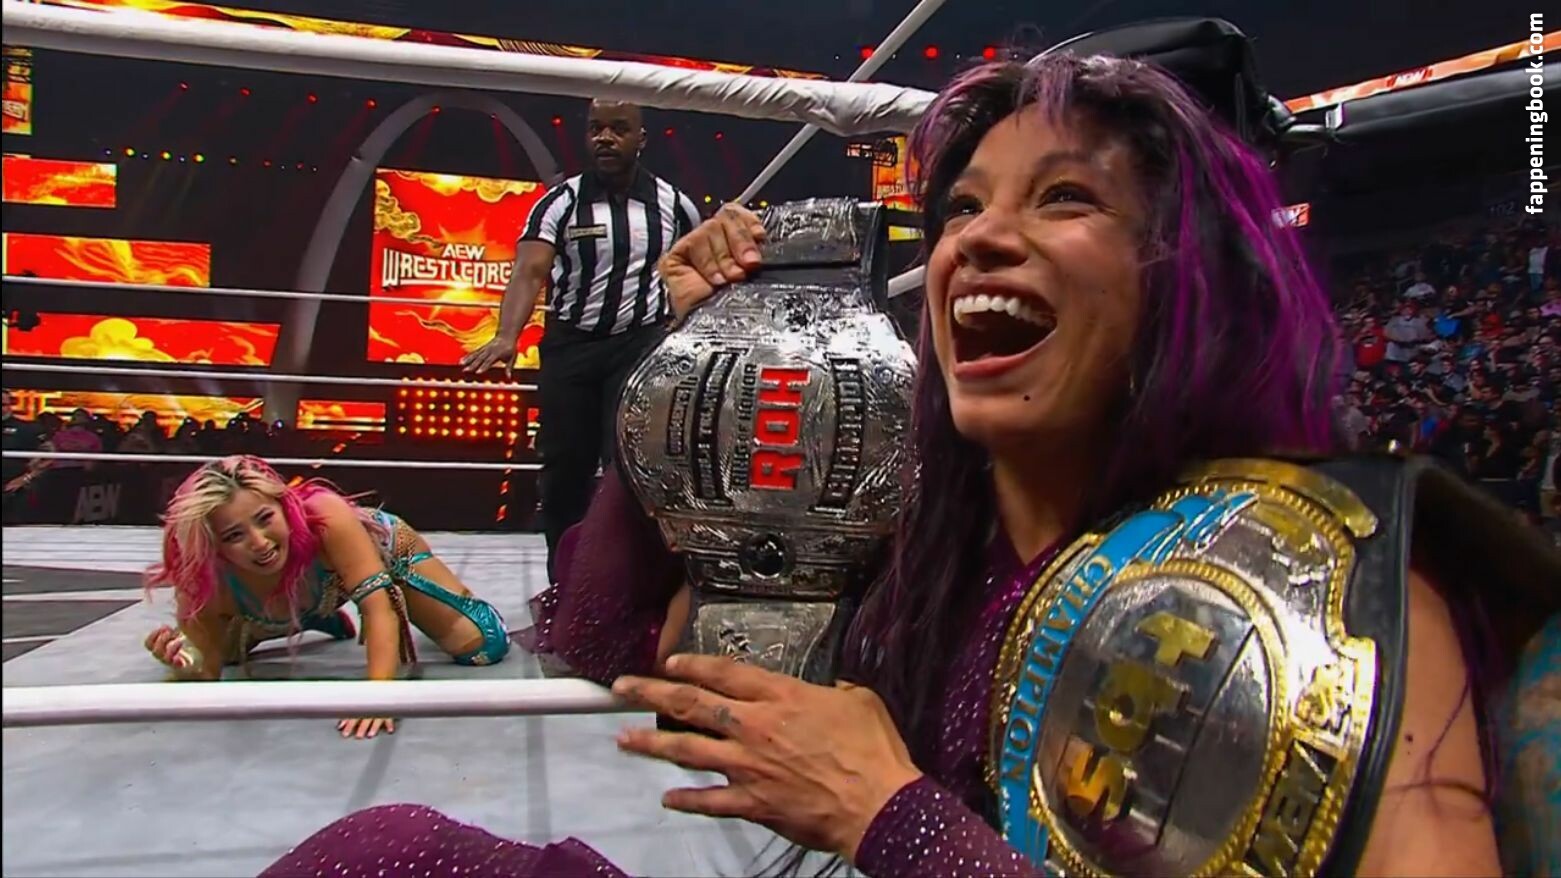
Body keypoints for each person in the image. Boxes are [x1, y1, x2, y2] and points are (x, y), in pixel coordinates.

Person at [265, 52, 1560, 876]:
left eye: (1063, 197)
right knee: (382, 851)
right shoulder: (930, 518)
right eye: (962, 207)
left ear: (1186, 276)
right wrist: (701, 353)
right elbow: (612, 644)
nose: (979, 239)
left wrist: (896, 818)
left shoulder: (1308, 576)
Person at [460, 99, 703, 582]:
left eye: (618, 128)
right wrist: (507, 335)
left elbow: (698, 271)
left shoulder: (676, 206)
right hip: (571, 349)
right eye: (595, 129)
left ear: (641, 138)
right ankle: (563, 584)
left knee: (627, 472)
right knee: (564, 472)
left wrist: (688, 338)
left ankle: (623, 588)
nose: (604, 138)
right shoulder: (560, 203)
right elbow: (529, 271)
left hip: (637, 349)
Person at [142, 455, 512, 739]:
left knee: (482, 644)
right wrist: (184, 664)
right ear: (213, 546)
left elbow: (377, 608)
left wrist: (378, 696)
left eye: (265, 518)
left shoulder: (325, 515)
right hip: (302, 592)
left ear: (283, 505)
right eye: (234, 535)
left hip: (378, 554)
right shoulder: (203, 576)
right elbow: (207, 673)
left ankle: (336, 597)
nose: (259, 542)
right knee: (228, 652)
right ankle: (313, 613)